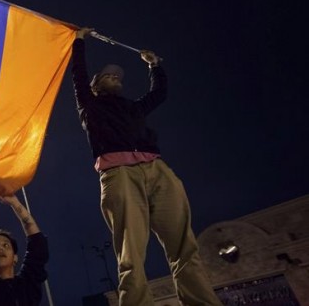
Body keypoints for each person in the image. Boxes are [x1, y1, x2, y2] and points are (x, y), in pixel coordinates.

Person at [71, 28, 222, 305]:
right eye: (108, 75)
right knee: (131, 254)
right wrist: (79, 41)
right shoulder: (89, 104)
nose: (115, 76)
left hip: (157, 170)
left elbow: (159, 93)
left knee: (184, 246)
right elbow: (78, 76)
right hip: (120, 175)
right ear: (95, 85)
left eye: (118, 76)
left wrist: (155, 66)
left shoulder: (133, 108)